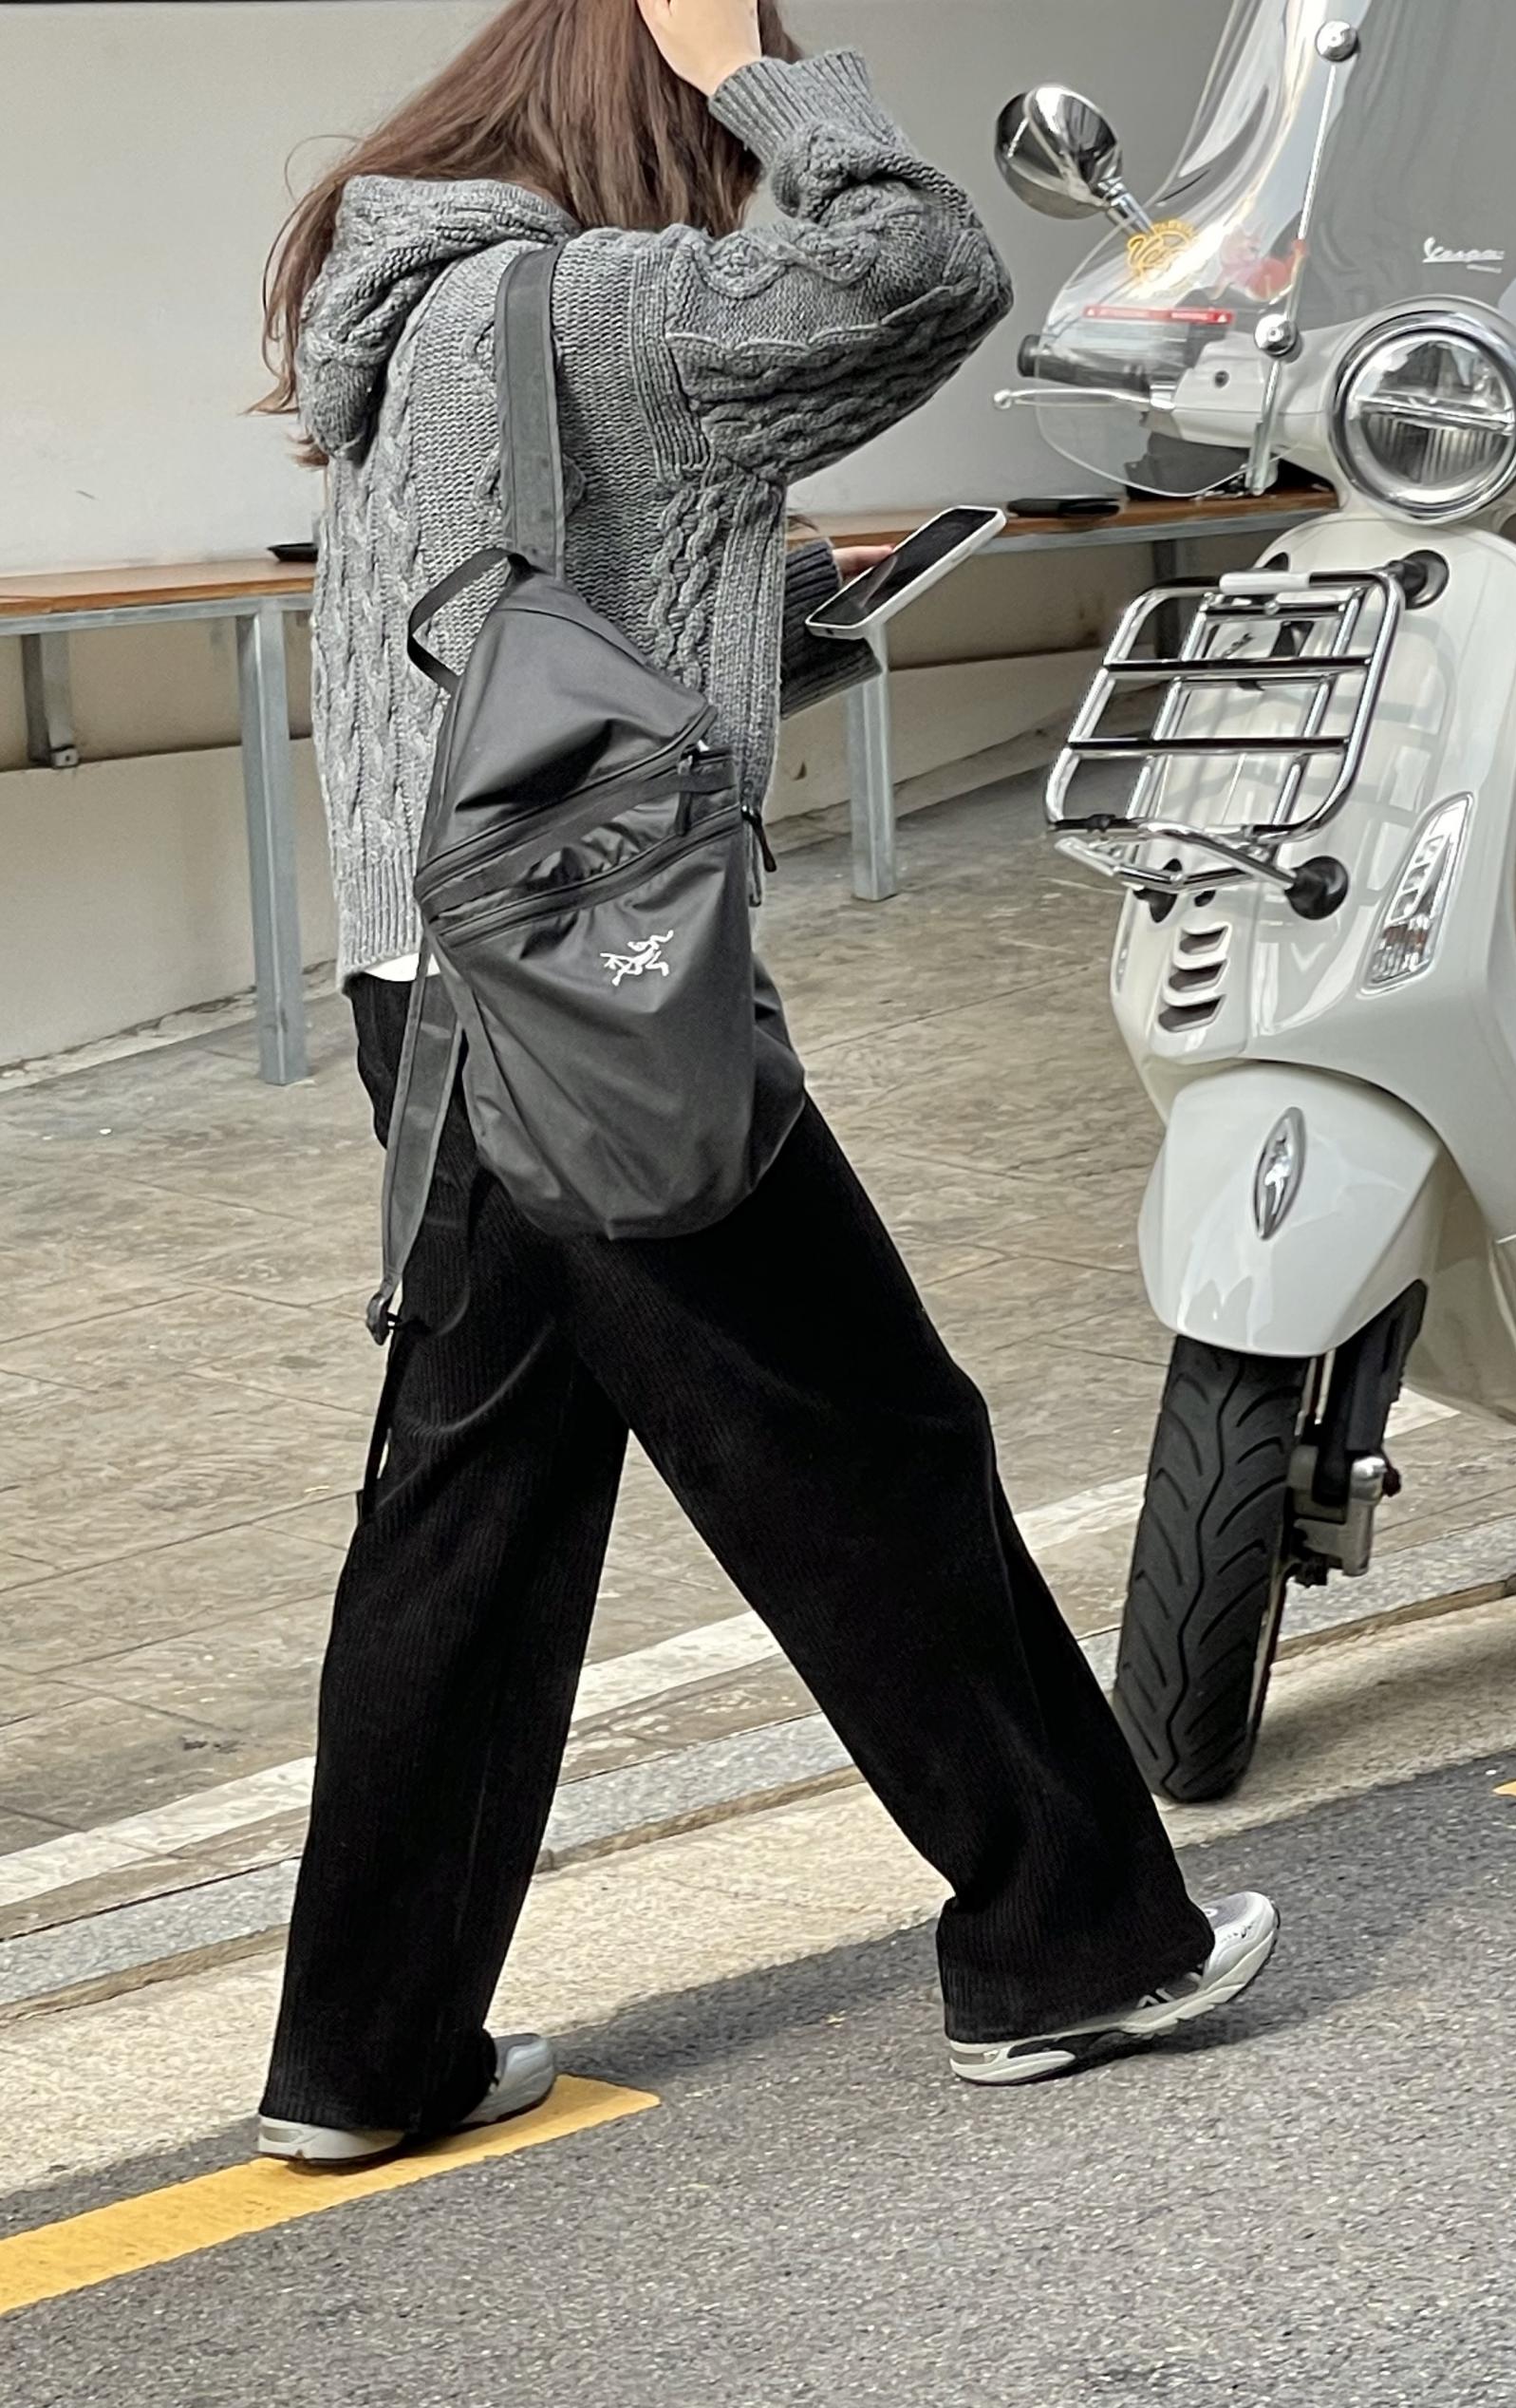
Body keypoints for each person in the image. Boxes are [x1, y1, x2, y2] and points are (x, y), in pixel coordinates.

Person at [253, 0, 1279, 2159]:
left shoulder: (417, 308)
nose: (737, 183)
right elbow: (923, 268)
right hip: (602, 996)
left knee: (472, 1513)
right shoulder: (614, 303)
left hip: (429, 994)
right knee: (867, 1446)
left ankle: (366, 2055)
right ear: (662, 105)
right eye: (716, 132)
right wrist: (769, 69)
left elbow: (486, 645)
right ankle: (1074, 1942)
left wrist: (760, 617)